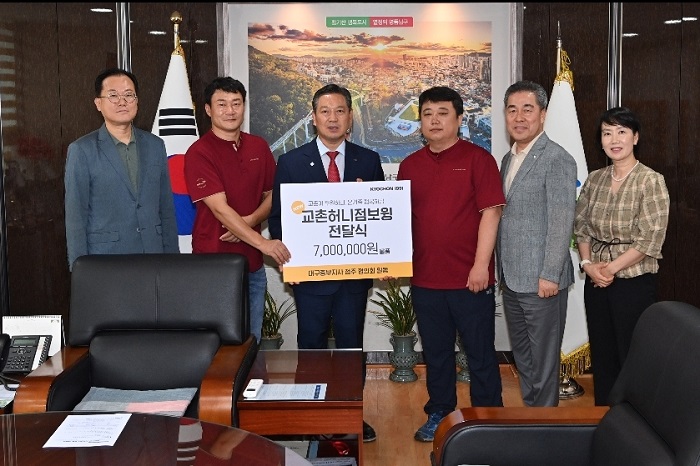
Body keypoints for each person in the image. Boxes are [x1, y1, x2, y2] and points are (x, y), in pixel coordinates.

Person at [268, 83, 384, 443]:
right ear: (313, 116)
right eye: (325, 111)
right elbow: (278, 219)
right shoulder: (291, 161)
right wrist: (292, 262)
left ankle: (351, 414)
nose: (332, 118)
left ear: (350, 117)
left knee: (351, 346)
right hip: (311, 277)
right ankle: (315, 416)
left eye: (340, 111)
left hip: (353, 277)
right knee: (312, 344)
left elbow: (379, 219)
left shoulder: (369, 160)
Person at [397, 86, 505, 443]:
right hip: (425, 279)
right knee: (437, 354)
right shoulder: (410, 165)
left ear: (459, 119)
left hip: (470, 279)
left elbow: (491, 214)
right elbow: (399, 221)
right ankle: (440, 414)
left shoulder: (479, 159)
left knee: (480, 355)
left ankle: (488, 418)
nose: (434, 120)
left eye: (443, 113)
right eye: (427, 114)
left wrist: (480, 266)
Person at [574, 106, 669, 406]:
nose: (614, 139)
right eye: (607, 133)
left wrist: (610, 269)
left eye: (621, 132)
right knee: (602, 354)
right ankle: (604, 414)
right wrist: (589, 265)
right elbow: (582, 227)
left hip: (633, 282)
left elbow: (650, 238)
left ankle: (633, 420)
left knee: (631, 353)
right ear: (601, 140)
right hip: (596, 280)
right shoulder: (594, 179)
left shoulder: (650, 180)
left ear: (635, 137)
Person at [184, 77, 291, 343]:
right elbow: (219, 210)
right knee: (217, 343)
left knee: (250, 339)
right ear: (208, 109)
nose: (230, 111)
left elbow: (272, 194)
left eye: (236, 103)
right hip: (215, 264)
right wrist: (264, 243)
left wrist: (248, 222)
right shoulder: (199, 152)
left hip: (252, 264)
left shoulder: (258, 146)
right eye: (221, 104)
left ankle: (250, 386)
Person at [497, 80, 577, 407]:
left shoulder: (557, 158)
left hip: (542, 281)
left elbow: (562, 220)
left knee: (543, 363)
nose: (519, 117)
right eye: (512, 110)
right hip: (512, 278)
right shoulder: (508, 159)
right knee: (524, 358)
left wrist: (549, 275)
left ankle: (546, 427)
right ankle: (532, 418)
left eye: (527, 109)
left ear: (542, 115)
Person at [64, 68, 179, 271]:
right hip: (107, 261)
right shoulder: (82, 150)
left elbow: (166, 208)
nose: (122, 101)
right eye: (113, 95)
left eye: (128, 95)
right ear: (98, 104)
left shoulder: (155, 145)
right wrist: (79, 268)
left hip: (154, 257)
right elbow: (76, 217)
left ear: (137, 101)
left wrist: (173, 260)